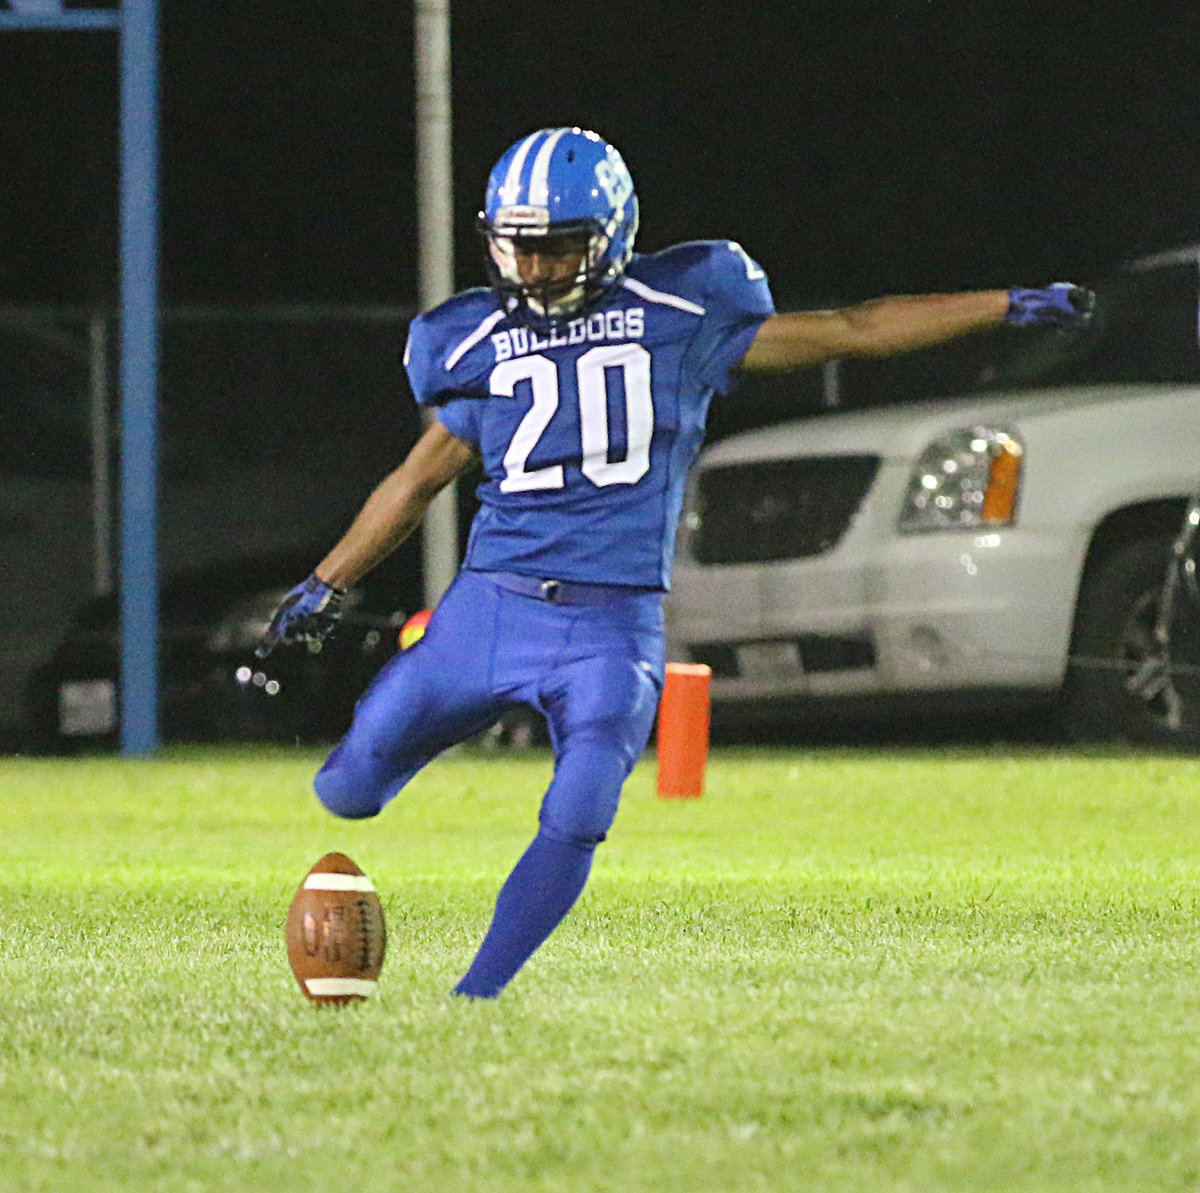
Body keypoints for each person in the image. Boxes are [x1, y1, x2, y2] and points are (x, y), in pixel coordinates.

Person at [257, 126, 1094, 999]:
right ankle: (379, 822)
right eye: (521, 249)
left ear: (611, 237)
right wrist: (328, 579)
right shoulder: (477, 341)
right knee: (348, 792)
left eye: (557, 249)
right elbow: (420, 475)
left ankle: (476, 997)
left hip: (611, 623)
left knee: (581, 810)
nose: (536, 271)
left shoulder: (684, 314)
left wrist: (1002, 302)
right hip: (489, 609)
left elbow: (854, 329)